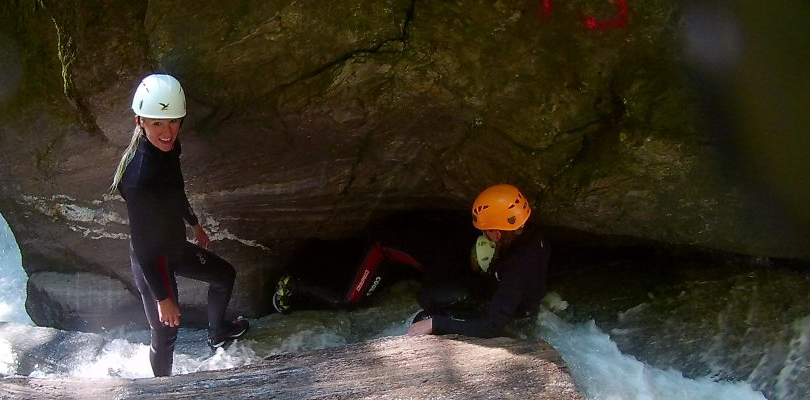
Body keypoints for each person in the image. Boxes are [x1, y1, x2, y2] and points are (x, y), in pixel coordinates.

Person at [111, 73, 248, 376]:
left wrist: (194, 224)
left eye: (173, 121)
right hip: (152, 261)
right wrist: (163, 299)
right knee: (165, 332)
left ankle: (218, 333)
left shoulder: (170, 148)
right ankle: (163, 392)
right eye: (158, 123)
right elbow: (146, 248)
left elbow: (175, 190)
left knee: (225, 275)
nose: (168, 131)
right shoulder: (139, 179)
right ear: (140, 122)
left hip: (173, 246)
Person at [271, 210, 496, 316]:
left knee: (384, 283)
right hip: (382, 249)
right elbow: (427, 295)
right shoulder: (446, 262)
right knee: (350, 301)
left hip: (401, 235)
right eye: (478, 266)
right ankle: (294, 285)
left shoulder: (467, 234)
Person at [407, 184, 550, 338]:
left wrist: (435, 324)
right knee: (427, 296)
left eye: (485, 230)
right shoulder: (532, 235)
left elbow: (492, 327)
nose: (482, 233)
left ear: (496, 234)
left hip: (512, 318)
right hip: (496, 292)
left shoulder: (517, 272)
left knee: (423, 319)